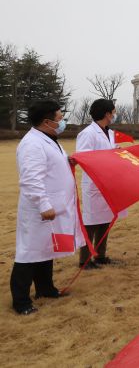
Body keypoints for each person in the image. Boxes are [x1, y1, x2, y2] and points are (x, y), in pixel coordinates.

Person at [11, 100, 81, 315]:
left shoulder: (49, 139)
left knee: (46, 249)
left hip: (53, 207)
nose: (63, 122)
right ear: (47, 121)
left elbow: (51, 165)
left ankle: (45, 288)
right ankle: (21, 300)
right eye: (60, 118)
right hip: (39, 209)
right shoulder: (32, 144)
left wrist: (66, 162)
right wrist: (43, 203)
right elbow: (31, 178)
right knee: (29, 252)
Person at [76, 98, 123, 269]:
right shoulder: (88, 133)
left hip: (107, 182)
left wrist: (115, 152)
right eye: (113, 112)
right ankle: (85, 259)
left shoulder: (109, 132)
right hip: (94, 183)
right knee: (91, 222)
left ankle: (100, 255)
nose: (114, 115)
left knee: (105, 220)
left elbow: (109, 152)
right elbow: (84, 157)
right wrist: (108, 157)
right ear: (106, 113)